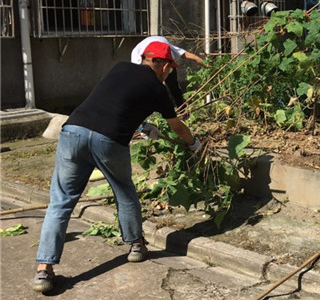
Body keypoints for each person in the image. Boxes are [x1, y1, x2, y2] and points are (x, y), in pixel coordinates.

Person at [33, 41, 202, 293]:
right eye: (169, 70)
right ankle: (136, 246)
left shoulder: (120, 68)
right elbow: (176, 125)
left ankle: (43, 271)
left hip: (73, 131)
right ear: (165, 66)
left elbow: (112, 100)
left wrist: (142, 126)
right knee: (124, 192)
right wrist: (194, 143)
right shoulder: (158, 89)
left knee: (60, 202)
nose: (168, 74)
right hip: (109, 141)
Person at [131, 36, 205, 110]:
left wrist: (207, 65)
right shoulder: (137, 58)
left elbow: (191, 56)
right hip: (146, 63)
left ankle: (183, 110)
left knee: (174, 87)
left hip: (163, 59)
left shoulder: (167, 48)